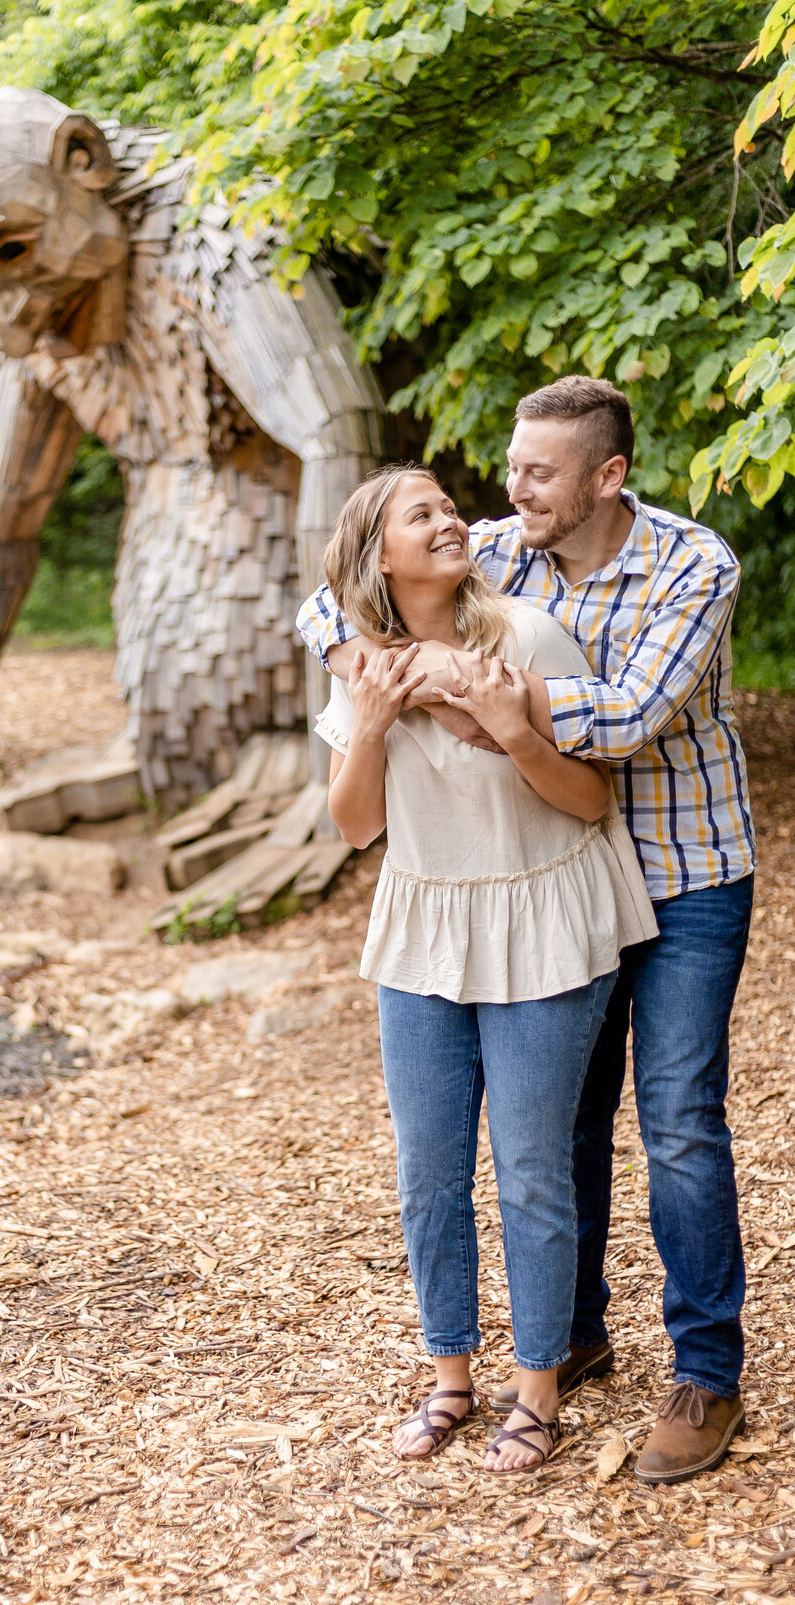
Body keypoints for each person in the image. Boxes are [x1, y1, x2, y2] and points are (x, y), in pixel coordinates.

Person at [298, 376, 754, 1485]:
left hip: (680, 869)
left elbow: (633, 718)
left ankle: (705, 1370)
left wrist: (461, 689)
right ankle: (572, 1333)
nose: (509, 494)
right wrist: (362, 664)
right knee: (566, 1126)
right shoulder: (497, 545)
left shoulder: (694, 566)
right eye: (510, 468)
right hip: (548, 887)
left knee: (680, 1120)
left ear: (609, 476)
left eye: (539, 473)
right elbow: (340, 597)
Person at [316, 461, 657, 1472]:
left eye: (447, 506)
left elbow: (591, 802)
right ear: (381, 554)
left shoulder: (528, 638)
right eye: (421, 514)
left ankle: (539, 1390)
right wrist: (370, 725)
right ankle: (451, 1379)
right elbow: (355, 825)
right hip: (423, 927)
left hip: (544, 916)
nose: (450, 519)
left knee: (531, 1171)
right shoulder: (361, 665)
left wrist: (513, 733)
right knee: (428, 1175)